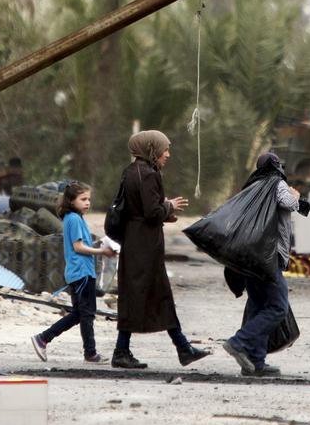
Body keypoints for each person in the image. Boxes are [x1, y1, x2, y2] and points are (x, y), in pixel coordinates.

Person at [112, 130, 211, 369]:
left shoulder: (130, 171)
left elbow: (136, 210)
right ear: (151, 150)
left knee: (144, 296)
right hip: (144, 246)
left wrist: (164, 213)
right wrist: (168, 206)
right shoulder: (147, 175)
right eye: (164, 149)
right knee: (156, 295)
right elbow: (151, 212)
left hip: (135, 241)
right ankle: (177, 348)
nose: (167, 154)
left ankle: (180, 347)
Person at [220, 152, 300, 377]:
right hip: (268, 258)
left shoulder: (252, 186)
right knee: (277, 307)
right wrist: (294, 194)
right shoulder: (276, 183)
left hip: (250, 258)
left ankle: (256, 362)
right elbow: (288, 202)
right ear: (277, 167)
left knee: (258, 306)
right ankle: (239, 342)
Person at [31, 182, 115, 362]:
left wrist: (97, 244)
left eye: (89, 199)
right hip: (82, 272)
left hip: (78, 272)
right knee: (86, 314)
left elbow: (80, 245)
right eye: (83, 199)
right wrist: (102, 252)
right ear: (71, 200)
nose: (87, 203)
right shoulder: (75, 219)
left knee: (80, 313)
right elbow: (78, 248)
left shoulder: (73, 217)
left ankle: (45, 339)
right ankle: (88, 352)